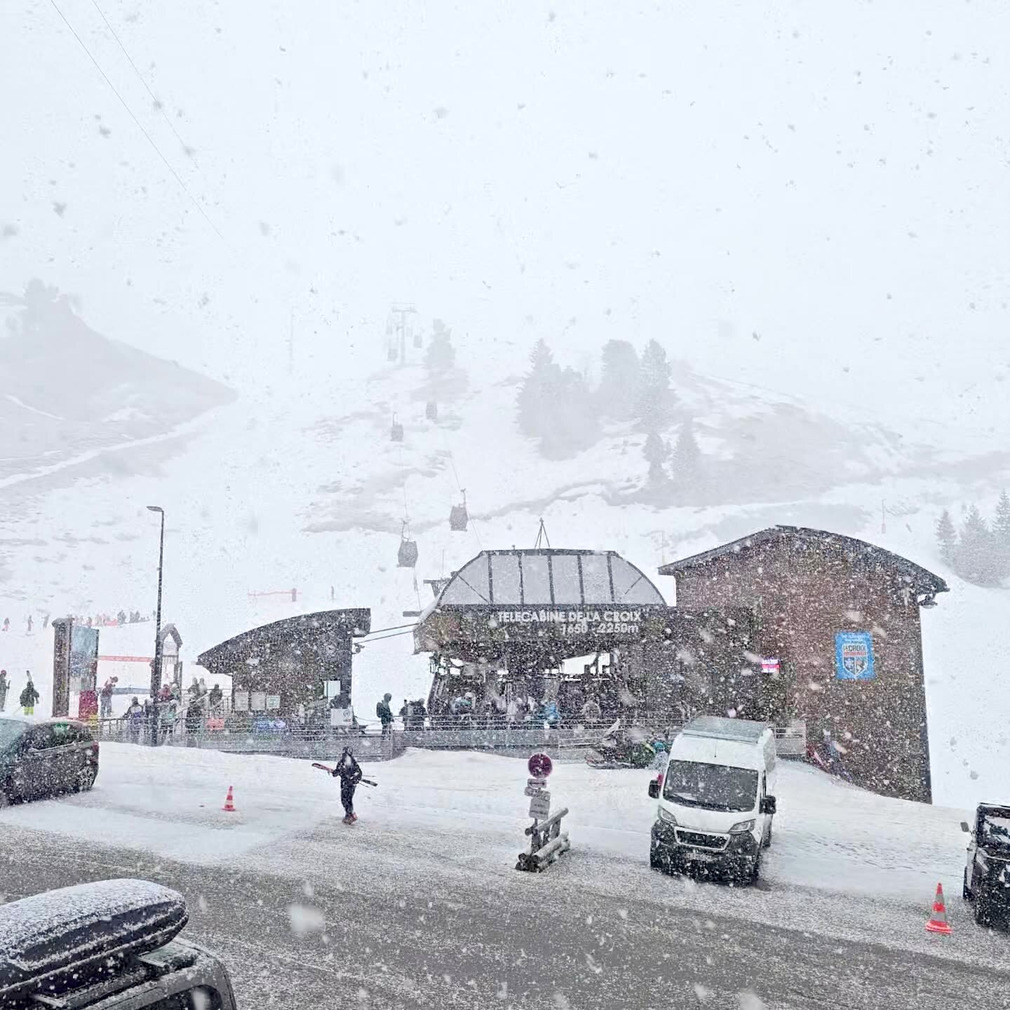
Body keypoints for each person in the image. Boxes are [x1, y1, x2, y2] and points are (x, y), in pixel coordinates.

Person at [331, 747, 363, 824]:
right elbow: (336, 773)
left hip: (349, 784)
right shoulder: (342, 762)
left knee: (346, 800)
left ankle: (349, 815)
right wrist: (335, 772)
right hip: (346, 784)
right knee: (346, 800)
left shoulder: (351, 762)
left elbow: (359, 773)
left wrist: (353, 778)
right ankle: (350, 814)